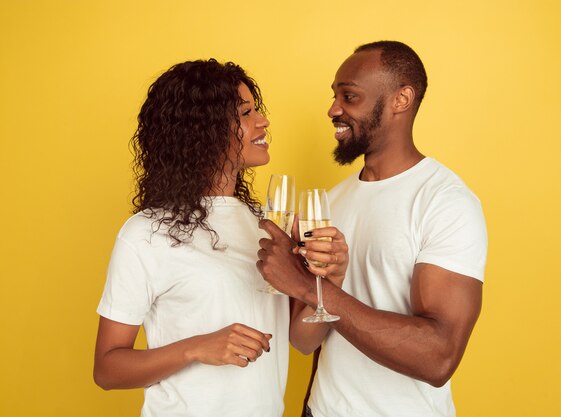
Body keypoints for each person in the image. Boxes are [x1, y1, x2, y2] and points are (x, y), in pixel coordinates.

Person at [257, 41, 488, 417]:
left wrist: (301, 285)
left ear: (402, 99)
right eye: (334, 96)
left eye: (349, 97)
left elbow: (438, 358)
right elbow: (303, 341)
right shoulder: (327, 203)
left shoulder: (446, 202)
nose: (333, 110)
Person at [93, 59, 289, 417]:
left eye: (256, 110)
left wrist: (329, 276)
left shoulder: (267, 226)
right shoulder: (145, 233)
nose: (262, 122)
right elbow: (107, 369)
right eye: (246, 113)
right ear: (205, 130)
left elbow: (301, 341)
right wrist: (195, 348)